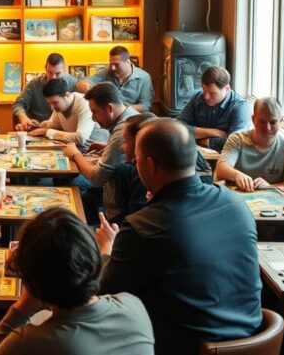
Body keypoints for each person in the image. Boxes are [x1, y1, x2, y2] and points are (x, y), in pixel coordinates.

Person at [97, 118, 261, 354]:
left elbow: (106, 297)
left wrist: (107, 251)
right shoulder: (236, 204)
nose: (134, 164)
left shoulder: (142, 227)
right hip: (252, 341)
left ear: (149, 165)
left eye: (136, 160)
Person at [0, 207, 154, 355]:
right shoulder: (134, 307)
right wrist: (106, 253)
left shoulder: (30, 342)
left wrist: (22, 308)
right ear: (94, 257)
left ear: (33, 284)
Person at [62, 83, 139, 223]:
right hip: (120, 189)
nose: (92, 118)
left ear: (109, 108)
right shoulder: (131, 114)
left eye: (94, 112)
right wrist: (108, 147)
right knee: (85, 196)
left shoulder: (123, 129)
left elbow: (97, 178)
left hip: (120, 206)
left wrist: (75, 154)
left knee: (71, 186)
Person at [216, 97, 284, 191]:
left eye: (273, 122)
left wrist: (270, 187)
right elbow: (221, 167)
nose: (267, 128)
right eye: (262, 122)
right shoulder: (237, 139)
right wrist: (237, 175)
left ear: (281, 121)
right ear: (253, 119)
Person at [177, 66, 251, 151]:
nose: (206, 97)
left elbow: (236, 143)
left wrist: (205, 141)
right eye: (204, 90)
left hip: (224, 156)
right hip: (196, 151)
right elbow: (177, 127)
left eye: (212, 93)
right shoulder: (198, 97)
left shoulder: (241, 107)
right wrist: (212, 132)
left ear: (227, 89)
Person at [13, 53, 78, 130]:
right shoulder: (34, 84)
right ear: (45, 69)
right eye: (50, 72)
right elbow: (19, 104)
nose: (53, 77)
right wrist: (24, 118)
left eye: (58, 73)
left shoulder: (73, 83)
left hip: (63, 130)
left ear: (64, 69)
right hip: (38, 127)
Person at [28, 78, 96, 146]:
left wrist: (45, 132)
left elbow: (80, 138)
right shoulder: (60, 108)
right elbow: (52, 125)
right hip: (73, 147)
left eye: (55, 102)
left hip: (90, 149)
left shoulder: (84, 103)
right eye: (50, 103)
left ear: (67, 95)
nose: (52, 108)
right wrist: (37, 125)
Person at [85, 46, 154, 112]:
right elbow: (84, 82)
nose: (112, 68)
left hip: (131, 115)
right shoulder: (107, 72)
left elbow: (146, 106)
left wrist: (121, 109)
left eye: (116, 64)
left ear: (128, 62)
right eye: (111, 64)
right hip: (107, 114)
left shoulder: (144, 77)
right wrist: (85, 87)